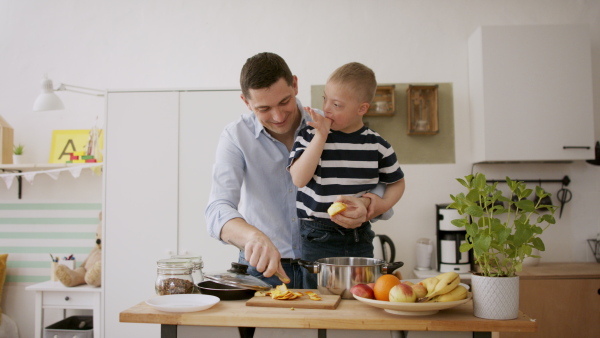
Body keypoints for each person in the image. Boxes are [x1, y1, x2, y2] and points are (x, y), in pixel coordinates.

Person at [205, 53, 393, 288]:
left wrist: (367, 204)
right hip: (265, 269)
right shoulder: (235, 136)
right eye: (263, 108)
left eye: (284, 102)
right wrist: (252, 237)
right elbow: (217, 209)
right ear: (246, 102)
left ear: (295, 84)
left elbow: (380, 178)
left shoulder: (332, 124)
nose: (278, 116)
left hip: (330, 265)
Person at [287, 62, 406, 289]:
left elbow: (397, 183)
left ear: (362, 109)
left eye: (337, 104)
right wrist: (321, 136)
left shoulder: (377, 145)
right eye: (325, 99)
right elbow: (299, 179)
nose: (327, 108)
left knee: (362, 296)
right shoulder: (310, 133)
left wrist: (378, 207)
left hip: (358, 236)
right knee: (317, 299)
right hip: (316, 234)